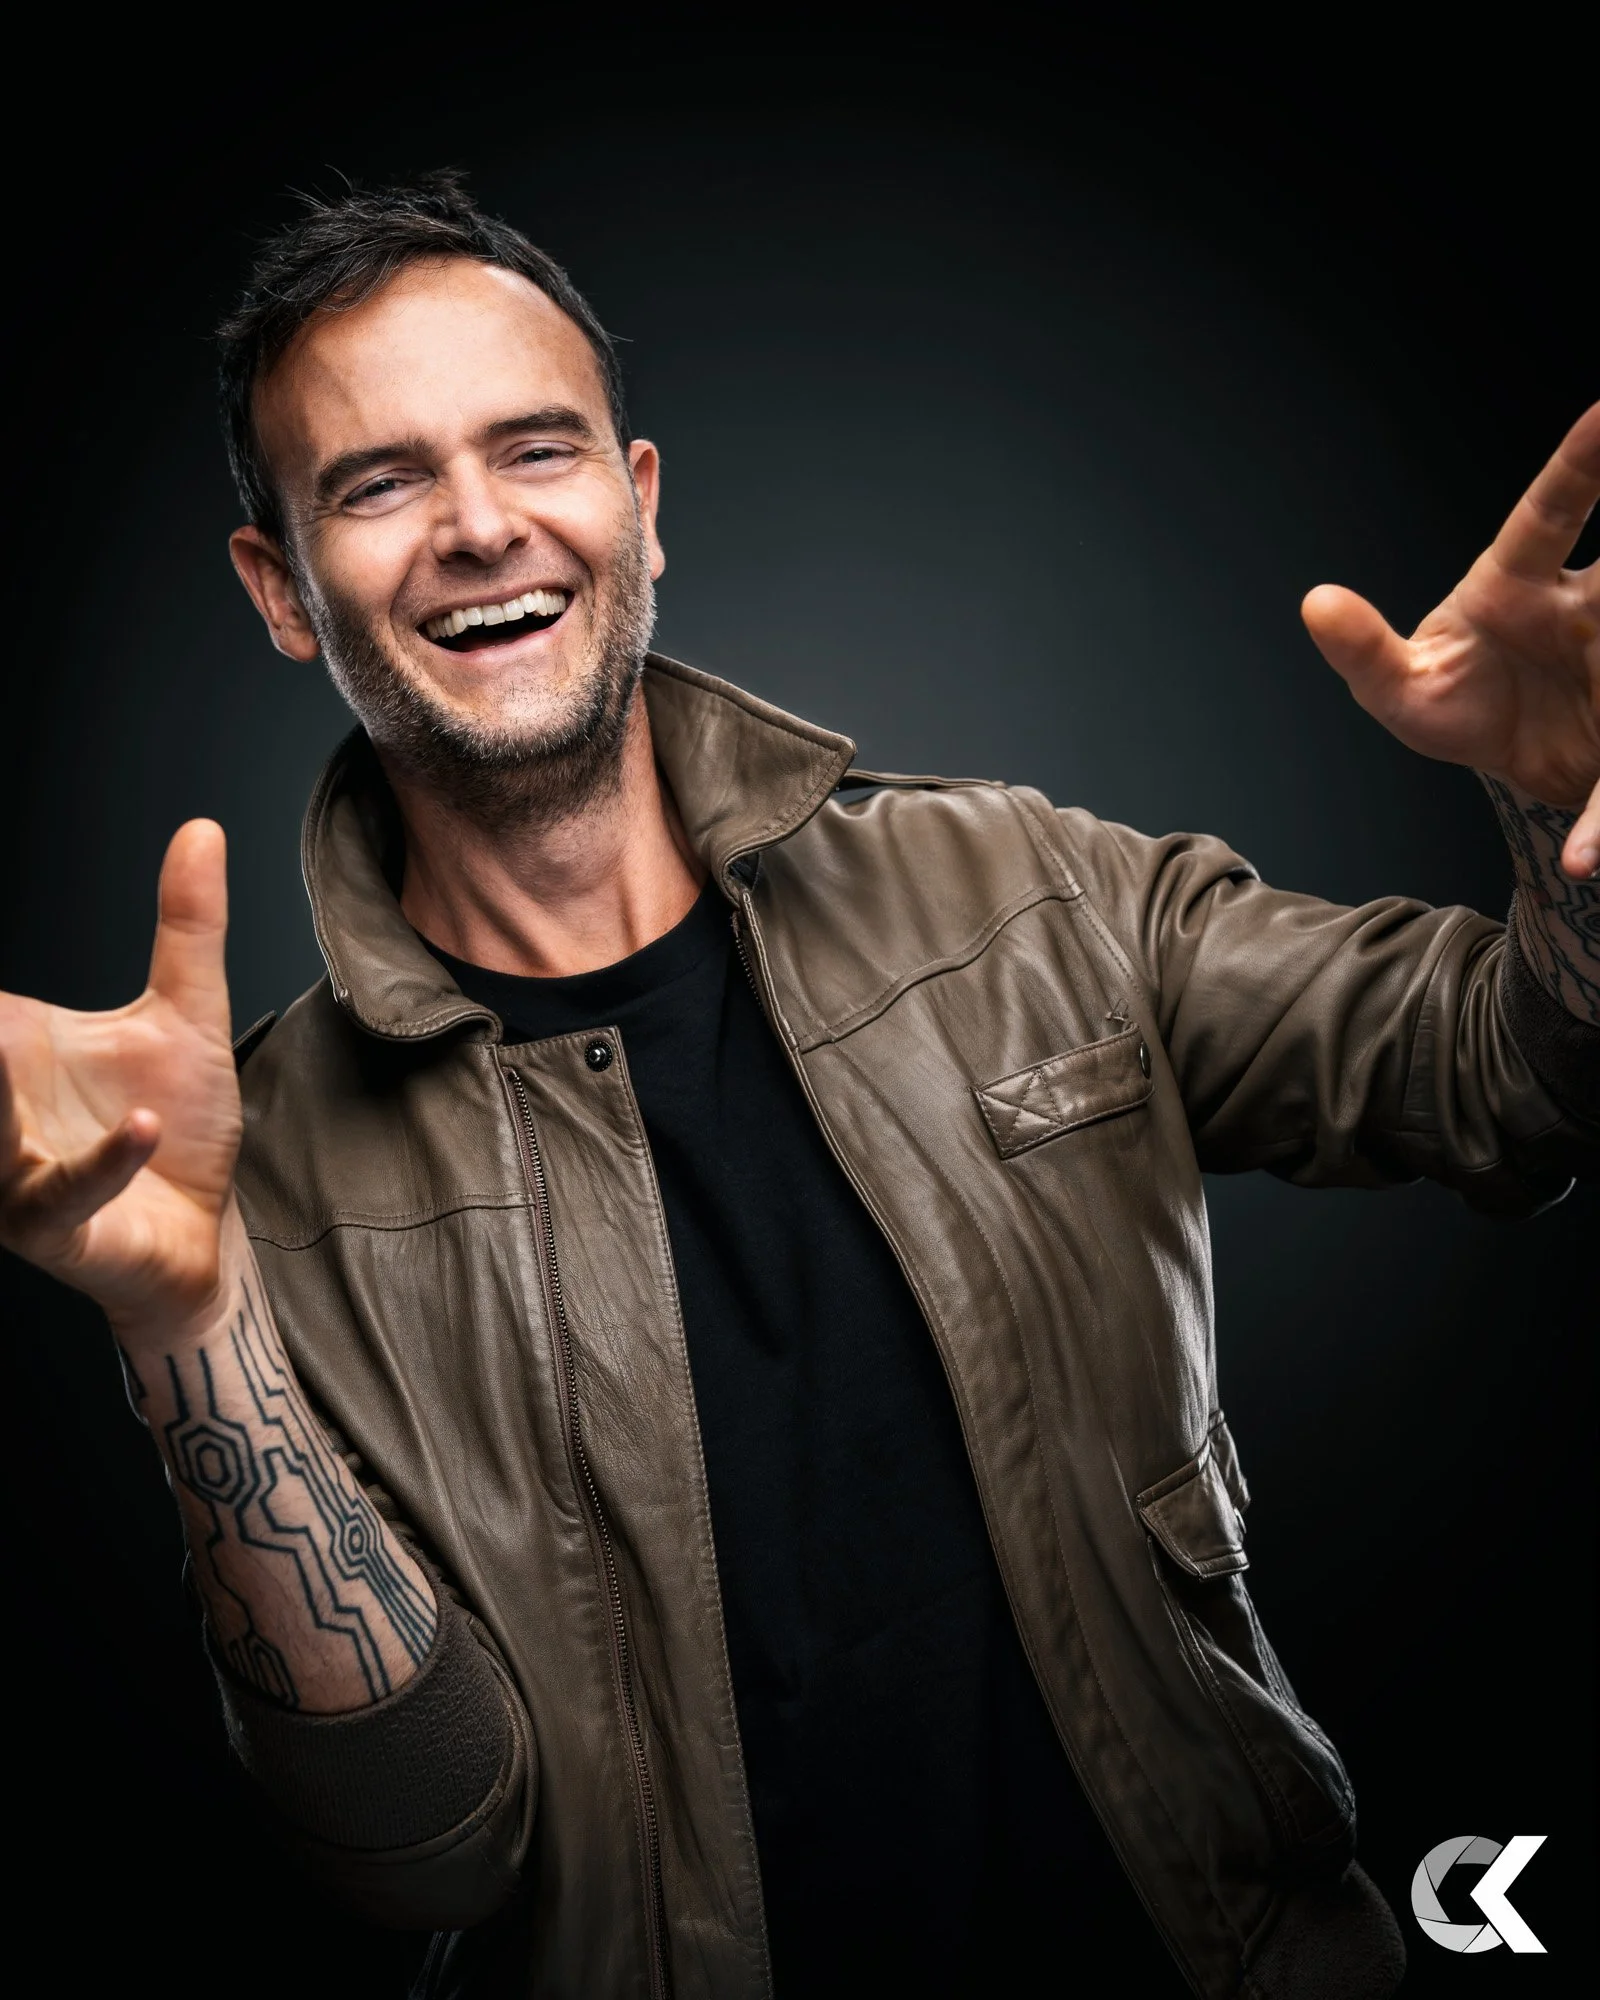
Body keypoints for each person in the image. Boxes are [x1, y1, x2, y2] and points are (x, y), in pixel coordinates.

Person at [1, 175, 1595, 2000]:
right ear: (282, 587)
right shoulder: (249, 1168)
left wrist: (1560, 819)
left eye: (537, 448)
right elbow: (421, 1836)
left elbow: (1512, 1079)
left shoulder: (1027, 894)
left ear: (640, 504)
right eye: (377, 484)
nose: (477, 526)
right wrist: (187, 1318)